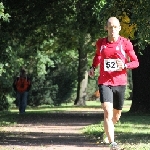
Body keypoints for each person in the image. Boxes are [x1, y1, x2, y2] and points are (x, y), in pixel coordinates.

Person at [88, 17, 139, 150]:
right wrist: (93, 67)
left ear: (119, 28)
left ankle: (108, 130)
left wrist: (125, 65)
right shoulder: (101, 43)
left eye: (115, 27)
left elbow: (136, 62)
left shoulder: (126, 43)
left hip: (120, 83)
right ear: (106, 28)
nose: (113, 30)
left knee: (116, 116)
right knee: (107, 112)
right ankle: (113, 143)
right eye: (110, 27)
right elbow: (98, 56)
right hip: (105, 82)